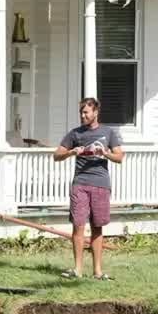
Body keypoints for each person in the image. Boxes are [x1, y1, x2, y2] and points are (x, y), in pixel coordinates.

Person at [54, 97, 124, 279]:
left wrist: (106, 153)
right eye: (81, 112)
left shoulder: (108, 133)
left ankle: (98, 271)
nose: (83, 115)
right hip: (80, 184)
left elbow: (120, 157)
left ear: (95, 112)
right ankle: (77, 270)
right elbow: (56, 155)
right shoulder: (75, 134)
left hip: (101, 185)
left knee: (97, 227)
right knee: (78, 226)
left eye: (86, 112)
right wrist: (70, 152)